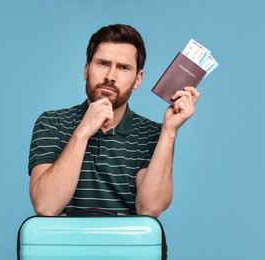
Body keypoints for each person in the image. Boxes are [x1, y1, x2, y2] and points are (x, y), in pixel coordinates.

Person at [28, 24, 199, 218]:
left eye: (124, 68)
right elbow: (45, 206)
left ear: (138, 79)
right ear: (86, 70)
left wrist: (169, 131)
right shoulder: (52, 123)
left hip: (126, 248)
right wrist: (83, 131)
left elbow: (149, 209)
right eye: (102, 63)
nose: (110, 76)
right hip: (65, 247)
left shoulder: (153, 134)